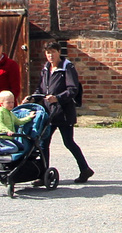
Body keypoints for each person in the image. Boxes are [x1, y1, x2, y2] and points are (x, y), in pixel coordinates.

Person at [34, 40, 95, 184]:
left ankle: (85, 169)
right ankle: (44, 174)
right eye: (48, 53)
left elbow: (73, 89)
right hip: (48, 113)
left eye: (53, 52)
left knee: (68, 142)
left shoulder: (67, 67)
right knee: (43, 143)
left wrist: (58, 98)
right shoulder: (46, 68)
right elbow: (40, 88)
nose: (50, 56)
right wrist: (32, 98)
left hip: (64, 112)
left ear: (58, 52)